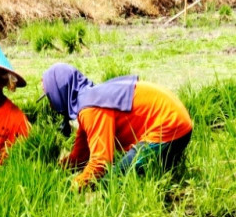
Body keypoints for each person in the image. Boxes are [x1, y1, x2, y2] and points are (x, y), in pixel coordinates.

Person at [41, 63, 193, 190]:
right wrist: (55, 170)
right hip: (175, 121)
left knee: (109, 184)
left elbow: (100, 163)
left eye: (49, 97)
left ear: (59, 92)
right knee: (137, 174)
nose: (50, 104)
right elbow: (81, 155)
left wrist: (71, 187)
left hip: (170, 127)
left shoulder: (91, 109)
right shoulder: (88, 100)